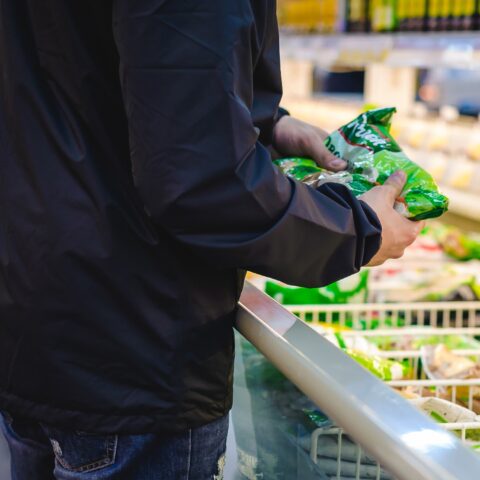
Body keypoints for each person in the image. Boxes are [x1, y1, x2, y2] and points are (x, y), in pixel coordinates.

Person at [0, 1, 422, 479]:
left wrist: (261, 123)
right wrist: (358, 229)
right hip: (134, 349)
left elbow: (87, 69)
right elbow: (203, 184)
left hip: (42, 311)